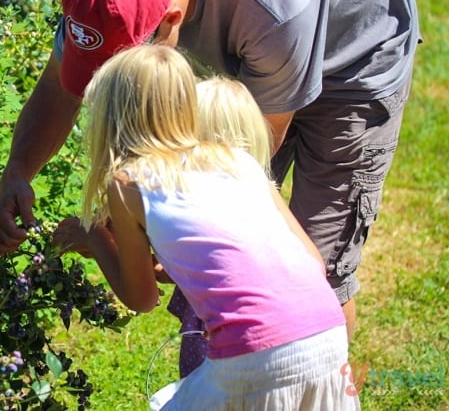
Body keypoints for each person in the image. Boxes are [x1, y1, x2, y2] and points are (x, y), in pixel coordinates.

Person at [0, 0, 421, 342]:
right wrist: (18, 172)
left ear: (170, 19)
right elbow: (58, 87)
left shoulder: (272, 4)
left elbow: (248, 154)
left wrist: (157, 217)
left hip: (354, 52)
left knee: (315, 265)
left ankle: (327, 389)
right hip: (264, 30)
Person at [52, 45, 359, 409]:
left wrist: (93, 237)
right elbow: (313, 260)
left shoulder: (128, 183)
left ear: (111, 118)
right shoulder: (237, 159)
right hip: (327, 335)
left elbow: (142, 298)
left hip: (254, 354)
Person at [165, 75, 273, 377]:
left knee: (206, 391)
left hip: (219, 338)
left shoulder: (205, 207)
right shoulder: (257, 196)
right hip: (265, 337)